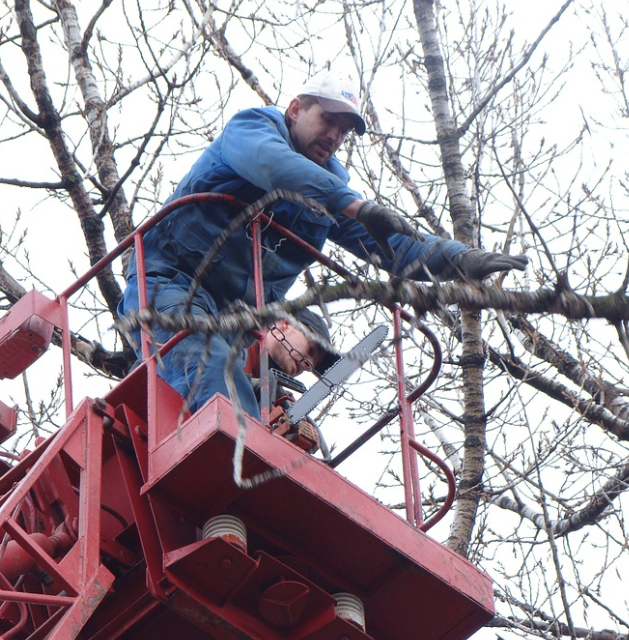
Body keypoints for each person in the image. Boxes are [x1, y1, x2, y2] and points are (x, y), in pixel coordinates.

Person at [119, 69, 528, 418]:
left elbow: (398, 248)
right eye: (327, 120)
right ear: (296, 109)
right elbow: (273, 166)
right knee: (208, 373)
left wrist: (461, 261)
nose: (334, 135)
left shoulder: (331, 194)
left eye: (344, 130)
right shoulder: (251, 130)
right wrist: (352, 204)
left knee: (254, 393)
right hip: (169, 284)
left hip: (239, 322)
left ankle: (276, 408)